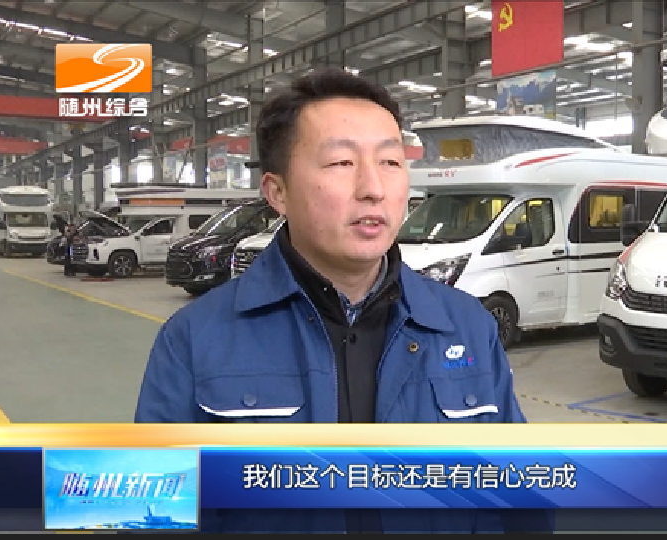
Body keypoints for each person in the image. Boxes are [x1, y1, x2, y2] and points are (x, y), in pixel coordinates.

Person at [134, 68, 553, 534]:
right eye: (340, 163)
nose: (373, 188)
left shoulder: (467, 327)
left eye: (390, 162)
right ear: (277, 192)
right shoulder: (194, 341)